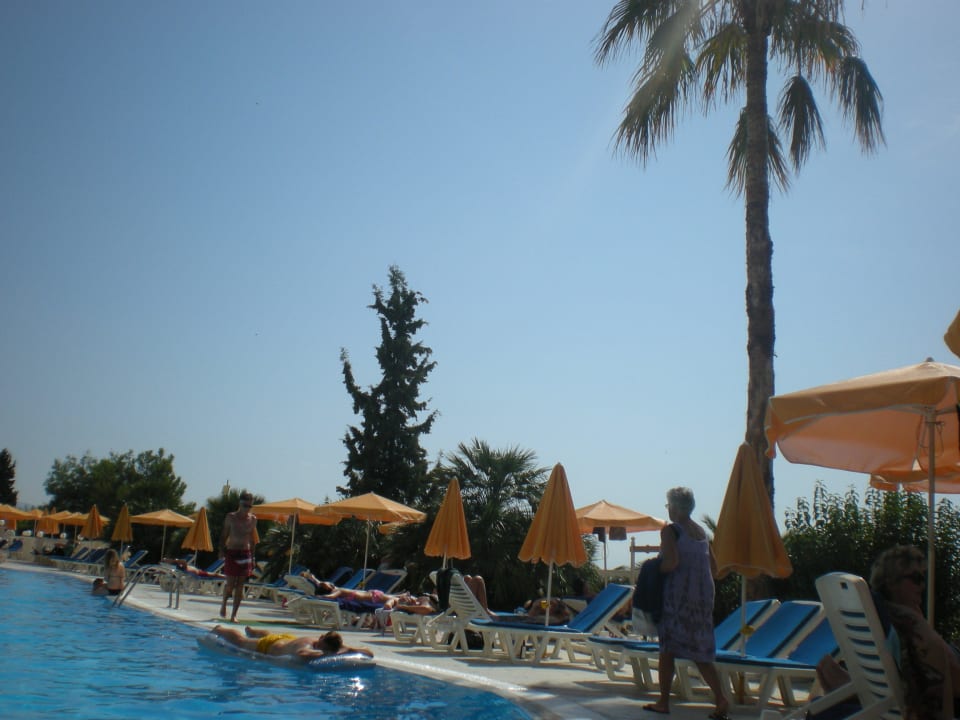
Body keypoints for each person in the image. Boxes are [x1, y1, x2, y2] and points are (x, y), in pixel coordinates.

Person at [816, 545, 960, 719]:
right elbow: (953, 677)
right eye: (916, 578)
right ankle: (854, 689)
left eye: (923, 578)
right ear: (891, 581)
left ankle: (855, 689)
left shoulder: (879, 613)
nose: (922, 585)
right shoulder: (910, 625)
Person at [644, 487, 729, 720]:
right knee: (701, 651)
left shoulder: (671, 531)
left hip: (677, 597)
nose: (668, 509)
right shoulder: (701, 533)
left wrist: (651, 569)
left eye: (668, 505)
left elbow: (671, 563)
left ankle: (663, 702)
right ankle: (721, 698)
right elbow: (715, 569)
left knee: (667, 650)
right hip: (702, 599)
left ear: (674, 507)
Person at [211, 625, 373, 659]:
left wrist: (349, 649)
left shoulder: (332, 643)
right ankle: (220, 629)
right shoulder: (307, 646)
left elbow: (369, 652)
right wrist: (328, 653)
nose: (318, 645)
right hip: (268, 646)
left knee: (271, 634)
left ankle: (254, 631)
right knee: (241, 641)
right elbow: (302, 654)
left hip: (285, 639)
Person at [219, 491, 258, 622]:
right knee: (230, 584)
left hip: (245, 553)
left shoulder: (253, 519)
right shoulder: (231, 517)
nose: (247, 509)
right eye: (245, 505)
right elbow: (224, 534)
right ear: (240, 504)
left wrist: (253, 557)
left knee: (240, 585)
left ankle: (234, 614)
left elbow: (252, 539)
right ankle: (224, 603)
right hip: (232, 552)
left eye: (249, 506)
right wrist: (221, 550)